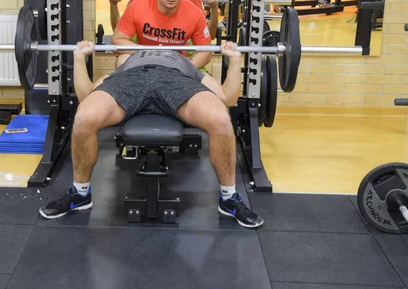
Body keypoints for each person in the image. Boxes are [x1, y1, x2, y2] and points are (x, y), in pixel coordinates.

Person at [40, 37, 265, 228]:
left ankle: (229, 198)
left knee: (221, 119)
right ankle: (80, 194)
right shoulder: (127, 61)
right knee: (83, 117)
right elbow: (86, 95)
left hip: (176, 80)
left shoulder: (185, 64)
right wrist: (79, 59)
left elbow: (229, 98)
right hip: (131, 80)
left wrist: (235, 61)